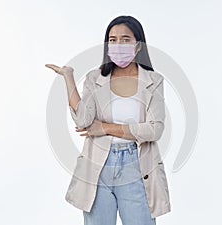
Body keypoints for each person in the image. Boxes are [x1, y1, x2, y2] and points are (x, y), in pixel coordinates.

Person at [45, 15, 170, 225]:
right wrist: (68, 78)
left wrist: (104, 128)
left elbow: (154, 129)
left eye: (125, 40)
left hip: (136, 164)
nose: (118, 45)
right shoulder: (96, 78)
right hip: (98, 165)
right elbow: (83, 120)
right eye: (112, 40)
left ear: (138, 45)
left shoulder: (153, 81)